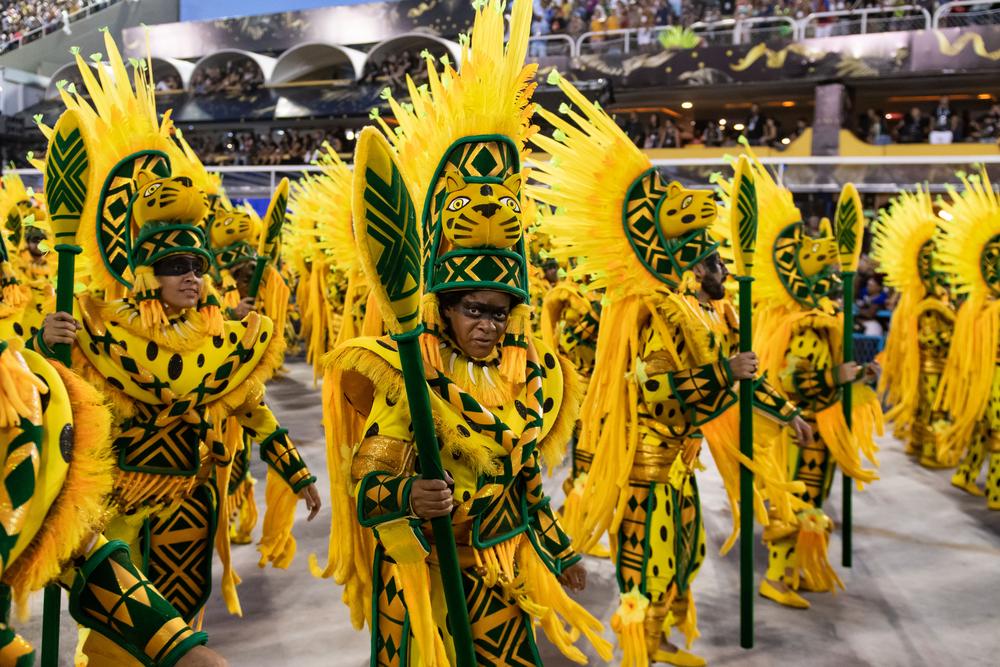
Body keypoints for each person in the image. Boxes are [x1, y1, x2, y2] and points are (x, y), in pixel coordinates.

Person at [313, 3, 613, 665]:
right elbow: (364, 477)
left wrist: (559, 551)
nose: (489, 323)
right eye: (475, 310)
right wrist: (407, 495)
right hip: (432, 575)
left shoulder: (528, 369)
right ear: (445, 309)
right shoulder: (409, 367)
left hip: (506, 575)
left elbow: (525, 478)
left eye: (500, 311)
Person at [34, 34, 320, 659]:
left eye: (198, 262)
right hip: (117, 502)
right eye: (176, 265)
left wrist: (298, 474)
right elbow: (52, 406)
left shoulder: (228, 340)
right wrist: (44, 344)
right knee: (116, 636)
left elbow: (250, 406)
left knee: (184, 623)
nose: (191, 275)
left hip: (191, 499)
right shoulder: (97, 332)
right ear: (144, 271)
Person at [531, 74, 813, 667]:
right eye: (702, 248)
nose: (711, 260)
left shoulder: (691, 307)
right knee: (646, 563)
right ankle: (638, 649)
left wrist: (779, 407)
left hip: (681, 461)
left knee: (682, 557)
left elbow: (722, 379)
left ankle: (656, 642)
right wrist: (724, 377)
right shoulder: (654, 309)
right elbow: (654, 388)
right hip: (646, 462)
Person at [747, 153, 882, 610]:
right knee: (794, 498)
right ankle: (776, 577)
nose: (826, 269)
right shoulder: (797, 324)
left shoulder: (820, 318)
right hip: (796, 426)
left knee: (812, 496)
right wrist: (835, 375)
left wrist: (861, 374)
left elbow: (831, 371)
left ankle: (799, 570)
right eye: (816, 262)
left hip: (819, 425)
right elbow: (792, 379)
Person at [872, 187, 956, 470]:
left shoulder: (933, 297)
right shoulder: (921, 302)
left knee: (931, 404)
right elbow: (928, 336)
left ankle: (923, 443)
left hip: (935, 361)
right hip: (928, 360)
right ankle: (929, 448)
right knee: (930, 405)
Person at [935, 168, 1000, 510]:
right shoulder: (984, 306)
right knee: (995, 430)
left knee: (984, 428)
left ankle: (966, 473)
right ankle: (996, 489)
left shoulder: (981, 305)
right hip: (989, 376)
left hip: (985, 376)